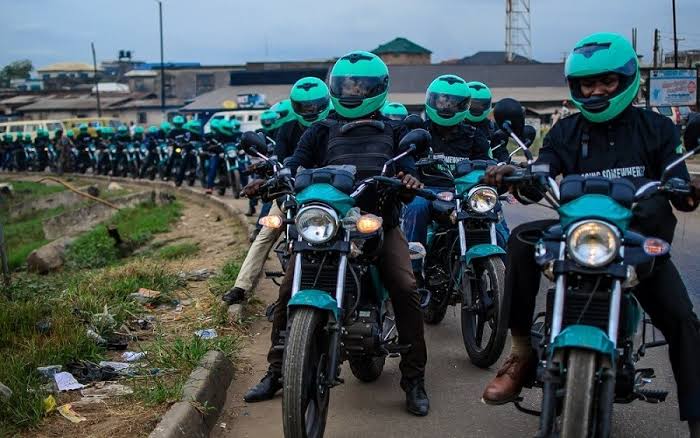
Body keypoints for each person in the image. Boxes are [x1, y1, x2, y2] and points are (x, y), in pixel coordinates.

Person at [480, 32, 700, 436]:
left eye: (606, 82)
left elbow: (679, 182)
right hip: (579, 237)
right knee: (520, 241)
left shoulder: (657, 130)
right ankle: (522, 351)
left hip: (635, 243)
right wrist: (519, 176)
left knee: (683, 320)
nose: (596, 90)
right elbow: (545, 166)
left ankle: (697, 415)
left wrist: (687, 192)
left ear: (626, 80)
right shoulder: (566, 132)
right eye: (587, 83)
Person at [242, 51, 430, 416]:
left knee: (405, 288)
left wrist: (408, 180)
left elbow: (408, 169)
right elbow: (295, 164)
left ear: (378, 89)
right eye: (346, 85)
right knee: (287, 290)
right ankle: (278, 371)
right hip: (325, 226)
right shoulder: (321, 129)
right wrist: (270, 177)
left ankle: (414, 379)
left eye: (360, 85)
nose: (352, 91)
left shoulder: (395, 132)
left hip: (376, 224)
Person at [222, 76, 331, 305]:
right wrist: (269, 178)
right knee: (267, 230)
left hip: (331, 195)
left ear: (326, 103)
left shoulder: (334, 125)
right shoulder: (288, 129)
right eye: (304, 106)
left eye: (315, 106)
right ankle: (241, 286)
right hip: (294, 191)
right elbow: (282, 162)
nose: (310, 111)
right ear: (295, 106)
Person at [402, 74, 492, 255]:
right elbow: (406, 159)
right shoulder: (420, 132)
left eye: (452, 103)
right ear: (431, 101)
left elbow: (486, 161)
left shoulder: (474, 135)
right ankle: (414, 264)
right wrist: (413, 180)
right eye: (441, 102)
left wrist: (494, 169)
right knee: (416, 206)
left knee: (493, 212)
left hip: (463, 193)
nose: (446, 107)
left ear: (464, 105)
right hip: (427, 190)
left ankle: (498, 262)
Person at [463, 81, 508, 162]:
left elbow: (501, 154)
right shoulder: (454, 126)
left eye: (481, 105)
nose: (477, 108)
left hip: (488, 172)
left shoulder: (493, 128)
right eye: (472, 104)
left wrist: (504, 162)